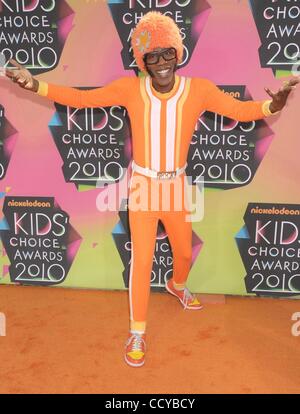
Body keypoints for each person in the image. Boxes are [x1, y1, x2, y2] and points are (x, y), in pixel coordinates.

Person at [5, 11, 299, 368]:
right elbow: (82, 99)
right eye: (152, 57)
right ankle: (138, 332)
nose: (161, 63)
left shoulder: (199, 89)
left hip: (176, 185)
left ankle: (177, 285)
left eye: (167, 54)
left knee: (184, 255)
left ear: (178, 53)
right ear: (142, 61)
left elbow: (242, 109)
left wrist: (275, 103)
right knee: (141, 262)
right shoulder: (130, 88)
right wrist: (35, 85)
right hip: (143, 186)